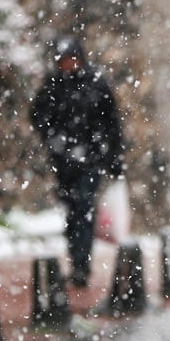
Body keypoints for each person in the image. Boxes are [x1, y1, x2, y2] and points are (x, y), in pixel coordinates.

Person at [30, 36, 125, 287]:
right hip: (64, 162)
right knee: (73, 211)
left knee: (84, 208)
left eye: (72, 60)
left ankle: (82, 264)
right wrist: (54, 139)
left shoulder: (95, 84)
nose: (69, 65)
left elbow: (111, 122)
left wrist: (112, 156)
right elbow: (38, 115)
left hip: (90, 159)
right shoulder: (53, 86)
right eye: (64, 61)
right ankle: (76, 258)